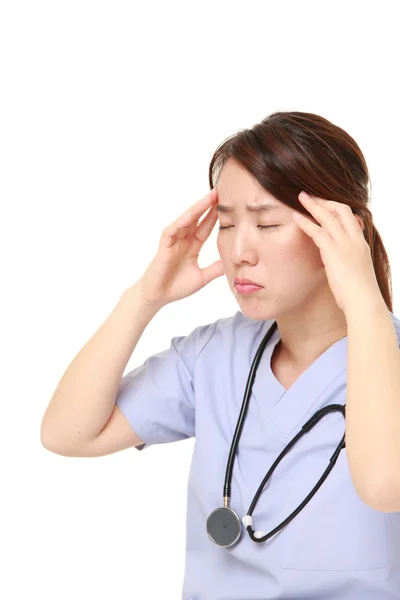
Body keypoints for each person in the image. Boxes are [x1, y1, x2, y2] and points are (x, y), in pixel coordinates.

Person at [41, 111, 400, 599]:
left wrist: (363, 300)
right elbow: (67, 434)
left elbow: (383, 483)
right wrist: (145, 296)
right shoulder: (216, 354)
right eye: (227, 224)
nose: (238, 252)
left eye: (267, 223)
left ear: (340, 231)